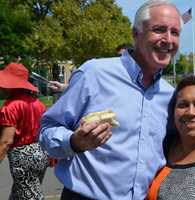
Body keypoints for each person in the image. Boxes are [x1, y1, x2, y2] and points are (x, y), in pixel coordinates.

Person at [38, 0, 182, 199]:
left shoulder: (170, 95)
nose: (168, 39)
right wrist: (74, 142)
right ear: (135, 34)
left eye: (175, 32)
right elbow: (47, 128)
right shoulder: (94, 74)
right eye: (158, 29)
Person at [0, 62, 49, 200]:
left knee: (30, 195)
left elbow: (6, 141)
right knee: (21, 192)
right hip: (40, 152)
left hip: (22, 156)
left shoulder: (10, 106)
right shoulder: (38, 103)